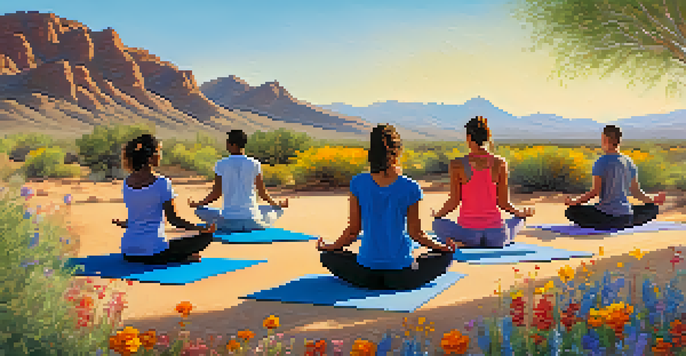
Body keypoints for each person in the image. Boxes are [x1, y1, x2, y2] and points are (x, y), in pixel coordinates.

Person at [317, 124, 456, 290]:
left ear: (371, 152)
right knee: (445, 257)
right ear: (398, 151)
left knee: (328, 256)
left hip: (366, 273)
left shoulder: (358, 183)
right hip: (402, 275)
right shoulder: (410, 187)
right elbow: (416, 233)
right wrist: (443, 248)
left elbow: (353, 232)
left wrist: (330, 246)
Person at [431, 116, 535, 248]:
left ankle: (465, 242)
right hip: (496, 236)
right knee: (518, 220)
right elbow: (503, 203)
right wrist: (520, 213)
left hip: (468, 234)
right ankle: (504, 235)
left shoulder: (456, 165)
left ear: (468, 138)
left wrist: (438, 215)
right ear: (487, 137)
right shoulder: (500, 163)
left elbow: (454, 201)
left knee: (437, 224)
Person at [113, 134, 216, 265]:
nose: (160, 155)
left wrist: (127, 223)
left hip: (129, 252)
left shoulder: (127, 182)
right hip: (154, 252)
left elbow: (141, 212)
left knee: (167, 245)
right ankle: (181, 258)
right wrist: (201, 229)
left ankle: (180, 257)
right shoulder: (162, 182)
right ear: (150, 157)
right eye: (158, 151)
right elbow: (174, 219)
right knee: (205, 238)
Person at [564, 125, 666, 230]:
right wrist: (653, 200)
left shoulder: (600, 162)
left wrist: (574, 202)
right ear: (619, 141)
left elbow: (595, 192)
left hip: (606, 217)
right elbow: (636, 192)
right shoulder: (628, 162)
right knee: (652, 208)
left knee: (571, 211)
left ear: (605, 139)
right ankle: (627, 222)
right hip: (626, 217)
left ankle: (606, 224)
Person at [189, 130, 288, 233]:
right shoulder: (255, 163)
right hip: (253, 221)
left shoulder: (221, 164)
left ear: (233, 145)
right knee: (276, 210)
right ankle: (260, 220)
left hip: (228, 221)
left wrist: (199, 203)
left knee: (200, 210)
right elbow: (262, 193)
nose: (226, 145)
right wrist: (276, 204)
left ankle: (223, 222)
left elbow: (216, 194)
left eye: (228, 143)